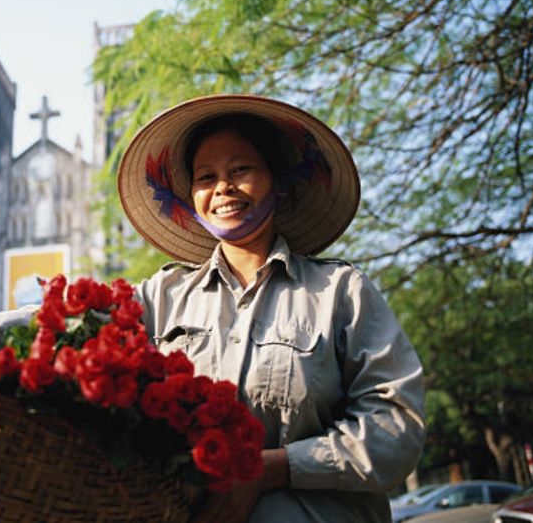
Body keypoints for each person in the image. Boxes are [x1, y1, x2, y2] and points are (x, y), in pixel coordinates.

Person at [116, 94, 425, 523]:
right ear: (192, 197)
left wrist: (273, 469)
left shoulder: (340, 292)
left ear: (278, 181)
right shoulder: (160, 298)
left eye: (240, 169)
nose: (223, 186)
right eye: (206, 176)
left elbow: (396, 428)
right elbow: (70, 328)